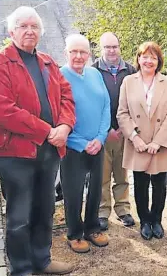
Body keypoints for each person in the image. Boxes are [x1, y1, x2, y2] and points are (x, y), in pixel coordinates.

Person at [0, 6, 75, 276]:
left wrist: (66, 125)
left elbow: (67, 97)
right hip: (14, 154)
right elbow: (3, 110)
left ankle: (42, 260)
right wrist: (47, 130)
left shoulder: (48, 62)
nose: (29, 31)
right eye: (23, 26)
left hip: (48, 151)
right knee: (19, 217)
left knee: (45, 209)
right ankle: (21, 269)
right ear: (11, 31)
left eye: (34, 26)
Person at [117, 41, 167, 241]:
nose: (148, 60)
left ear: (158, 60)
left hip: (159, 144)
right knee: (140, 183)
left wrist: (158, 142)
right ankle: (144, 221)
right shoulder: (128, 82)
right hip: (138, 143)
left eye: (153, 57)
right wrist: (135, 138)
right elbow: (122, 113)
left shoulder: (166, 82)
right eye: (145, 56)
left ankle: (156, 220)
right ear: (138, 59)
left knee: (160, 184)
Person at [59, 34, 111, 253]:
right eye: (74, 52)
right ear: (66, 53)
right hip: (72, 146)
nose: (78, 56)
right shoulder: (59, 76)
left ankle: (92, 227)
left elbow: (106, 106)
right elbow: (58, 114)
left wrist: (100, 138)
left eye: (83, 52)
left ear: (89, 55)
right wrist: (81, 142)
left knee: (95, 189)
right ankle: (74, 233)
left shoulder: (94, 74)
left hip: (97, 145)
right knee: (73, 190)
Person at [95, 32, 136, 230]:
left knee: (122, 175)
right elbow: (92, 104)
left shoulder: (130, 70)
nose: (111, 51)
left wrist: (124, 128)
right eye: (107, 47)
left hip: (124, 132)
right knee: (102, 176)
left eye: (114, 46)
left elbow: (136, 101)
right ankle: (103, 212)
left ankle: (123, 209)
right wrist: (107, 129)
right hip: (102, 133)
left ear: (120, 47)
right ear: (101, 49)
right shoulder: (92, 71)